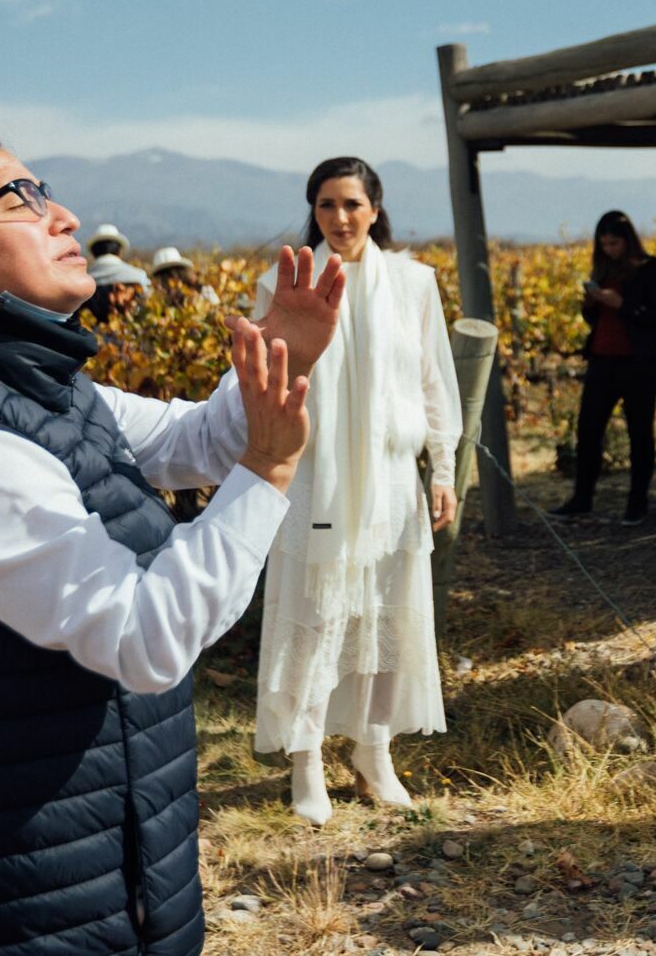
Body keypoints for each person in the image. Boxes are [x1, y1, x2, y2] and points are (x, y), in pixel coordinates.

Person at [0, 120, 338, 956]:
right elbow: (144, 637)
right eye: (21, 200)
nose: (63, 214)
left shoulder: (36, 387)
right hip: (20, 885)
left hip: (101, 846)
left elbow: (190, 442)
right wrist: (269, 475)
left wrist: (281, 354)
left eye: (46, 190)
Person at [252, 156, 461, 826]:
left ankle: (374, 751)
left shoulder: (413, 283)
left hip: (393, 478)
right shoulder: (284, 283)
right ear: (312, 211)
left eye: (351, 205)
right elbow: (263, 382)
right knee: (316, 615)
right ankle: (306, 757)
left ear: (374, 207)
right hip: (316, 474)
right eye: (325, 206)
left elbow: (433, 382)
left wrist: (444, 466)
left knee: (385, 612)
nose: (339, 219)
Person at [551, 211, 656, 525]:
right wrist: (592, 304)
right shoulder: (603, 270)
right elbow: (598, 321)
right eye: (604, 244)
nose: (609, 249)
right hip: (603, 360)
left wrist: (622, 304)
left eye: (614, 243)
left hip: (639, 363)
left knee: (639, 432)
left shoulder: (651, 270)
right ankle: (582, 497)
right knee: (589, 429)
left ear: (628, 240)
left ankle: (637, 502)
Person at [150, 246, 222, 307]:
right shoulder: (158, 301)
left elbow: (216, 310)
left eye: (167, 276)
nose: (161, 284)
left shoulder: (204, 291)